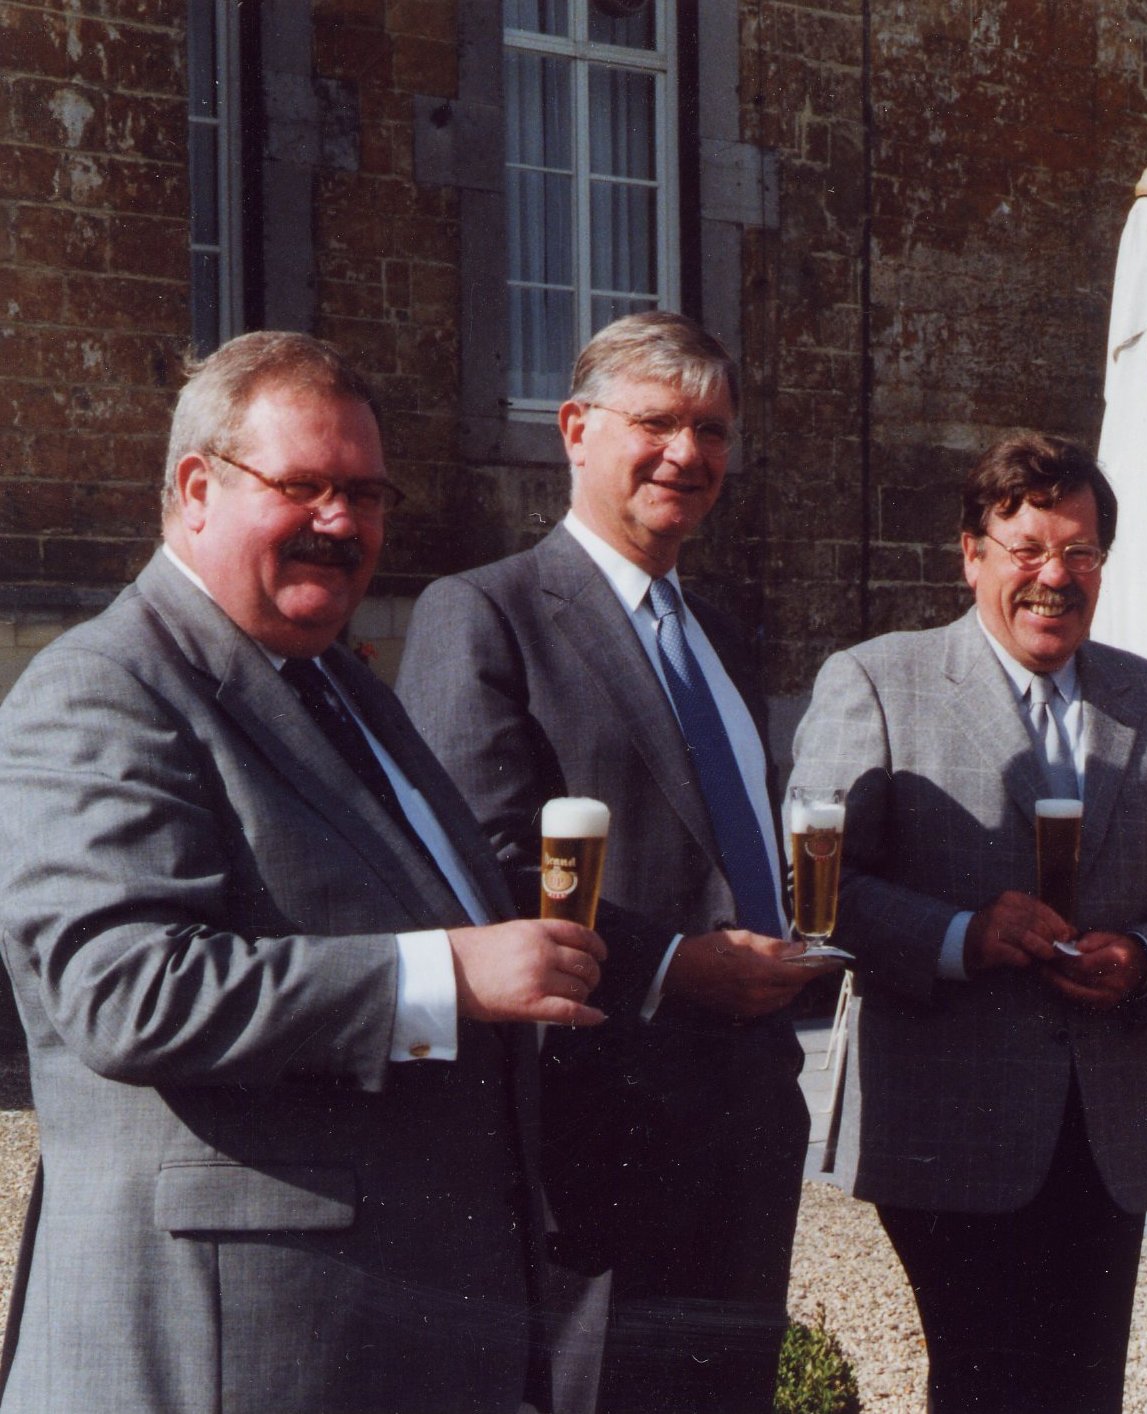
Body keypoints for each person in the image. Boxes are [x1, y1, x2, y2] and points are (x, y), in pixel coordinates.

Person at [0, 331, 607, 1413]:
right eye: (306, 487)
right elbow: (127, 994)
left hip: (387, 1337)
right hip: (231, 1349)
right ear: (196, 488)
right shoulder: (101, 687)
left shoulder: (338, 684)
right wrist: (447, 977)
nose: (343, 525)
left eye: (367, 495)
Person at [398, 312, 833, 1412]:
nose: (689, 453)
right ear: (576, 430)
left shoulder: (722, 636)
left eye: (715, 429)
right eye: (659, 422)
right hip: (595, 1142)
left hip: (745, 1122)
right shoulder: (485, 615)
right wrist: (674, 966)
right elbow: (473, 868)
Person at [788, 432, 1147, 1413]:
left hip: (1107, 1126)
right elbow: (815, 891)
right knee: (986, 1383)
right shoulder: (875, 681)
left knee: (1083, 1394)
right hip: (947, 1120)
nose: (1053, 577)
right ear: (971, 555)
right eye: (1026, 549)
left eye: (1078, 553)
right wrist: (960, 935)